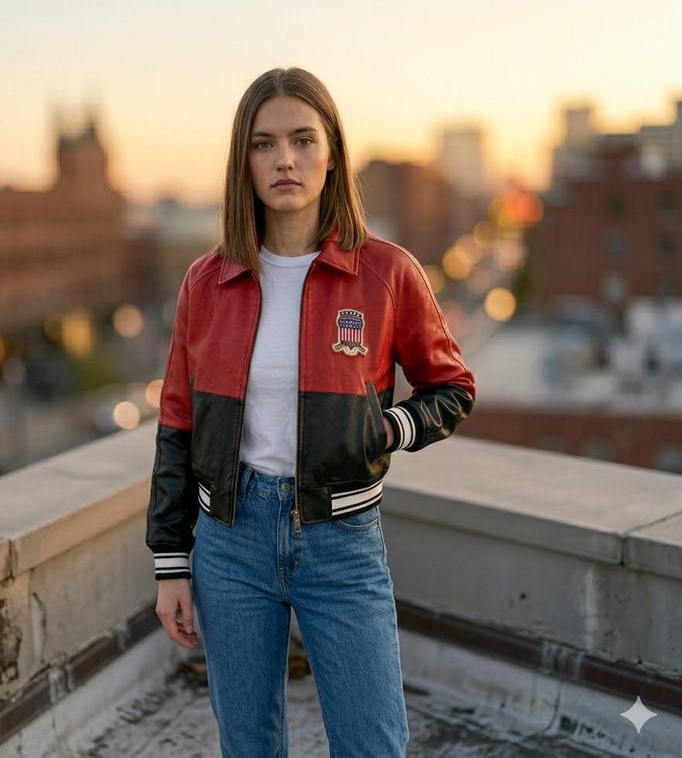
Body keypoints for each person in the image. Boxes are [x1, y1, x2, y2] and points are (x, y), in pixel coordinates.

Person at [147, 67, 475, 757]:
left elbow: (452, 387)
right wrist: (171, 561)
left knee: (373, 745)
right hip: (229, 543)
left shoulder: (386, 272)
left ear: (332, 154)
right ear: (244, 161)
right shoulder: (206, 282)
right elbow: (177, 423)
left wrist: (389, 428)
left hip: (342, 542)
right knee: (249, 745)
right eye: (264, 144)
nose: (285, 160)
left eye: (302, 140)